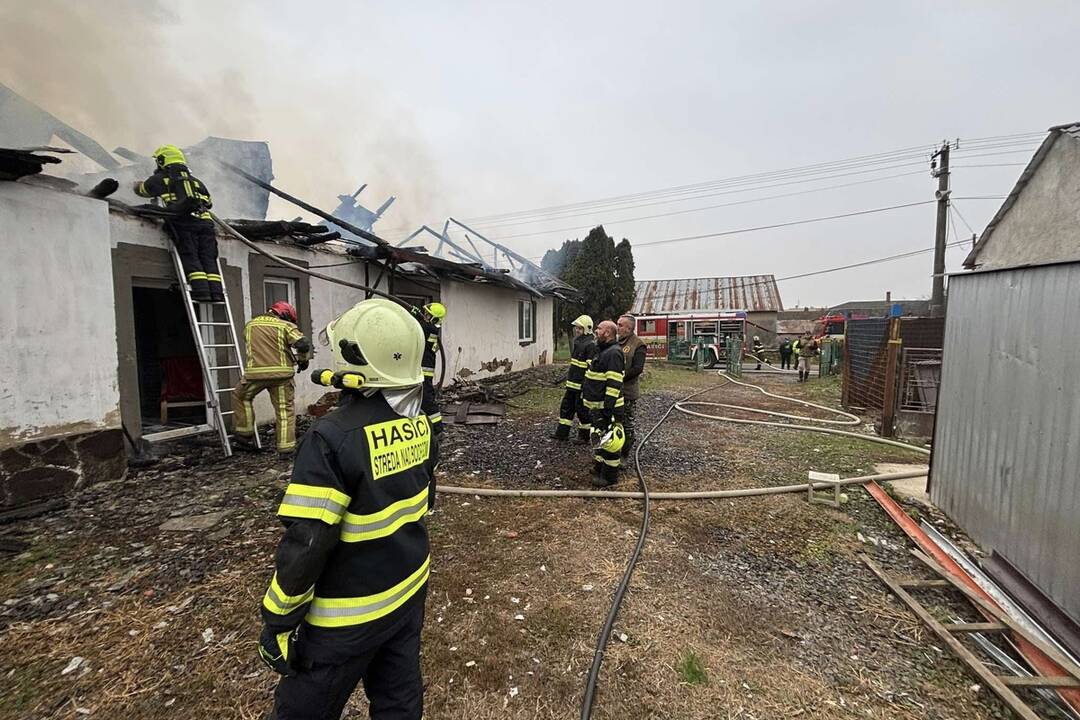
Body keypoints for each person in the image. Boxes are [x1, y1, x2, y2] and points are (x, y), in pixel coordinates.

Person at [258, 298, 434, 720]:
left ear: (356, 359)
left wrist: (279, 620)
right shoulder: (419, 423)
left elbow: (309, 541)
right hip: (407, 593)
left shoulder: (331, 437)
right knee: (399, 702)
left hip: (346, 616)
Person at [134, 145, 221, 302]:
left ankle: (201, 292)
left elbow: (143, 191)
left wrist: (135, 185)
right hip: (206, 225)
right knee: (208, 258)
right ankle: (216, 293)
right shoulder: (197, 183)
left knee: (191, 256)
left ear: (161, 161)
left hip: (184, 224)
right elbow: (209, 203)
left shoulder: (160, 179)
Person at [233, 302, 312, 454]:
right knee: (284, 410)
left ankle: (244, 434)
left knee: (241, 397)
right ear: (284, 314)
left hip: (255, 374)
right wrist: (303, 361)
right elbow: (303, 343)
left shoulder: (250, 326)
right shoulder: (285, 326)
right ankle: (286, 449)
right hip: (282, 375)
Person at [581, 320, 626, 487]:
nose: (596, 331)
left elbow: (614, 384)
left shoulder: (613, 353)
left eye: (599, 329)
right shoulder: (602, 350)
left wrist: (608, 409)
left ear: (607, 333)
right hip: (599, 406)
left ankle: (609, 477)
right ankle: (600, 466)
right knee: (600, 437)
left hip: (609, 407)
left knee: (610, 441)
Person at [552, 315, 596, 442]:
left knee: (582, 410)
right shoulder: (578, 342)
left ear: (587, 329)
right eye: (577, 328)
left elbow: (590, 367)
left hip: (581, 384)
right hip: (572, 383)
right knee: (566, 407)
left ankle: (584, 436)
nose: (577, 330)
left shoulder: (591, 344)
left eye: (580, 328)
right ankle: (562, 433)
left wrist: (586, 385)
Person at [410, 302, 446, 435]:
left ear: (434, 319)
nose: (424, 316)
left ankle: (437, 428)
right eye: (424, 313)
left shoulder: (430, 329)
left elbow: (416, 328)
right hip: (418, 368)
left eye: (427, 315)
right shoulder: (429, 327)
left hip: (424, 369)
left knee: (426, 398)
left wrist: (413, 316)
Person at [616, 314, 646, 458]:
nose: (618, 327)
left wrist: (619, 377)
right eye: (617, 324)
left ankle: (624, 455)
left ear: (629, 328)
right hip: (613, 391)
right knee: (614, 423)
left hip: (627, 392)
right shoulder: (616, 342)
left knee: (626, 425)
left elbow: (637, 368)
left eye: (621, 325)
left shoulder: (638, 344)